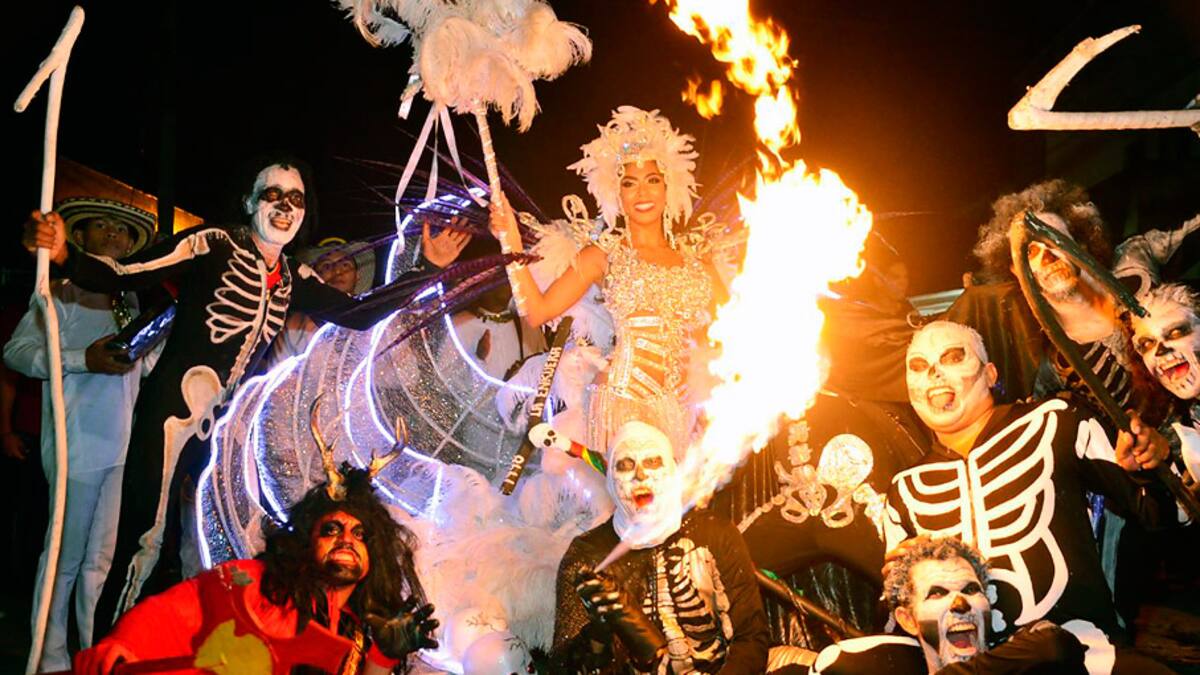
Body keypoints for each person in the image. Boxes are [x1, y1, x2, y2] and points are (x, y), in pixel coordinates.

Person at [21, 156, 469, 634]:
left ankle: (135, 645)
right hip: (173, 410)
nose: (284, 207)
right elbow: (124, 272)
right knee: (141, 538)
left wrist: (426, 269)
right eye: (272, 195)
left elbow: (360, 314)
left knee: (180, 545)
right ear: (249, 203)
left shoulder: (294, 277)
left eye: (295, 199)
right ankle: (104, 652)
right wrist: (65, 253)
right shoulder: (213, 243)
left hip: (217, 427)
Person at [883, 321, 1180, 673]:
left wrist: (1150, 467)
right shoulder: (904, 489)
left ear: (990, 374)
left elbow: (1164, 515)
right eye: (918, 366)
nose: (934, 373)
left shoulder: (1057, 422)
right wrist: (895, 582)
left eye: (952, 357)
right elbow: (898, 619)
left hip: (1086, 652)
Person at [489, 106, 725, 455]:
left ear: (668, 186)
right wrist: (510, 241)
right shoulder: (602, 257)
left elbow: (737, 334)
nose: (642, 193)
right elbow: (536, 312)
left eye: (652, 180)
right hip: (621, 403)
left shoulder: (699, 264)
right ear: (616, 192)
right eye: (629, 183)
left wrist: (706, 370)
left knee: (676, 492)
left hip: (681, 411)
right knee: (630, 489)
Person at [74, 461, 438, 674]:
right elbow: (175, 610)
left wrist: (383, 656)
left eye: (360, 535)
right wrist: (123, 645)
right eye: (332, 529)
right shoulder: (258, 582)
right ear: (307, 540)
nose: (346, 539)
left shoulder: (360, 631)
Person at [5, 200, 159, 671]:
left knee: (101, 562)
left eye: (122, 230)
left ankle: (94, 654)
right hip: (75, 443)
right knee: (63, 558)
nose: (113, 234)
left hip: (121, 445)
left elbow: (145, 370)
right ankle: (49, 658)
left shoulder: (130, 301)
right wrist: (81, 359)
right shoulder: (59, 292)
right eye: (103, 226)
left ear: (130, 247)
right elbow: (16, 352)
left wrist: (152, 344)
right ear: (82, 237)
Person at [552, 420, 771, 674]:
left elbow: (751, 638)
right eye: (625, 465)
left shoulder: (714, 533)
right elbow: (562, 668)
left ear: (674, 471)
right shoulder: (587, 555)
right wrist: (597, 635)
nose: (640, 475)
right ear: (610, 480)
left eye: (653, 462)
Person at [812, 537, 1086, 674]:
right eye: (936, 594)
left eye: (971, 590)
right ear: (907, 619)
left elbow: (1054, 648)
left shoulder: (1031, 653)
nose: (960, 603)